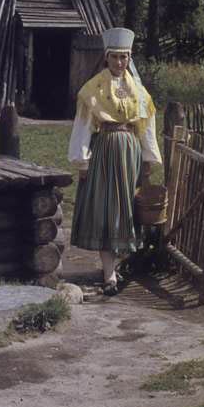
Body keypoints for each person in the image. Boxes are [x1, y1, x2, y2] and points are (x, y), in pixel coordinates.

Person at [68, 27, 162, 295]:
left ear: (129, 58)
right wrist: (82, 161)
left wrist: (148, 158)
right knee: (106, 211)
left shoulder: (139, 91)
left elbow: (146, 125)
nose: (120, 62)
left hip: (130, 154)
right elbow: (84, 125)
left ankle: (122, 265)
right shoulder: (94, 89)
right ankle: (109, 275)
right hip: (105, 153)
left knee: (127, 211)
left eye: (124, 57)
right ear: (106, 58)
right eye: (115, 57)